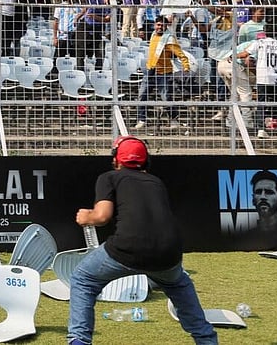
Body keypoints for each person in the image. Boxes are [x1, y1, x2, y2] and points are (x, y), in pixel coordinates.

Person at [67, 135, 217, 345]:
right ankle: (206, 339)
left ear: (116, 161)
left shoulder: (109, 177)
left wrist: (86, 217)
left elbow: (101, 216)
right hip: (169, 252)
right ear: (146, 161)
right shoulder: (156, 182)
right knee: (179, 285)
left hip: (127, 247)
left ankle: (79, 340)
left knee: (83, 279)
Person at [134, 17, 191, 130]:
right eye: (158, 25)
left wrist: (186, 67)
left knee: (166, 98)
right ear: (155, 25)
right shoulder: (153, 35)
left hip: (164, 72)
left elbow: (180, 54)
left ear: (166, 26)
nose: (159, 27)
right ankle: (142, 119)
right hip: (150, 71)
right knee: (142, 95)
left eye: (162, 25)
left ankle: (174, 120)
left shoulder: (169, 39)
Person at [237, 31, 277, 138]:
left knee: (261, 104)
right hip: (276, 78)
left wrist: (233, 56)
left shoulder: (260, 42)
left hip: (262, 77)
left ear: (266, 32)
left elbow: (245, 54)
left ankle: (261, 130)